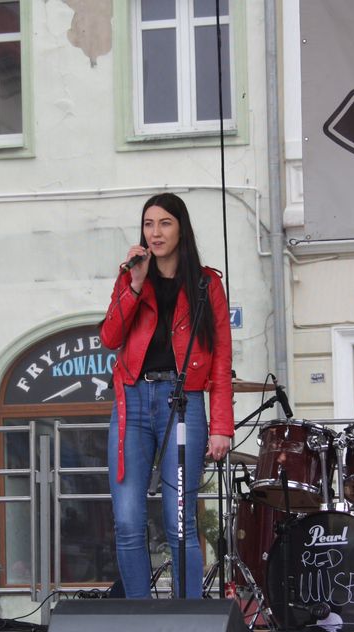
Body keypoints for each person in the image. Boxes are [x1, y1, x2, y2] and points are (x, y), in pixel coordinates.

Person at [100, 193, 233, 598]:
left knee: (179, 523)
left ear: (181, 229)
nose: (155, 233)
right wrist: (135, 284)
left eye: (164, 223)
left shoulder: (206, 284)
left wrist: (221, 426)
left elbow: (221, 358)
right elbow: (110, 337)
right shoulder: (131, 278)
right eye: (148, 224)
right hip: (133, 400)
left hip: (183, 401)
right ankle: (139, 617)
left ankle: (188, 620)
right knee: (127, 520)